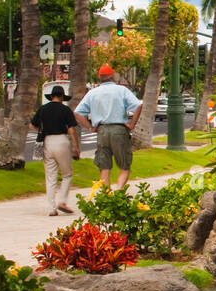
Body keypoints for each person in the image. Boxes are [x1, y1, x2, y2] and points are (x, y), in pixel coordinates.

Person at [73, 64, 142, 189]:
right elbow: (138, 105)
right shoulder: (121, 90)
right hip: (119, 130)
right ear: (112, 76)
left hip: (102, 131)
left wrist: (90, 127)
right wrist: (132, 124)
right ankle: (119, 192)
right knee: (124, 167)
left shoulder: (93, 93)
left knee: (104, 167)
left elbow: (77, 113)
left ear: (100, 78)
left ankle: (107, 197)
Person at [31, 86, 81, 216]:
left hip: (47, 141)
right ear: (62, 97)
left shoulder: (43, 109)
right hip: (62, 140)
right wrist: (76, 146)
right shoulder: (65, 110)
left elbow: (33, 124)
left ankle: (51, 207)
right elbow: (71, 129)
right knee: (67, 174)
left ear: (51, 96)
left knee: (50, 176)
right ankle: (62, 201)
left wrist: (42, 130)